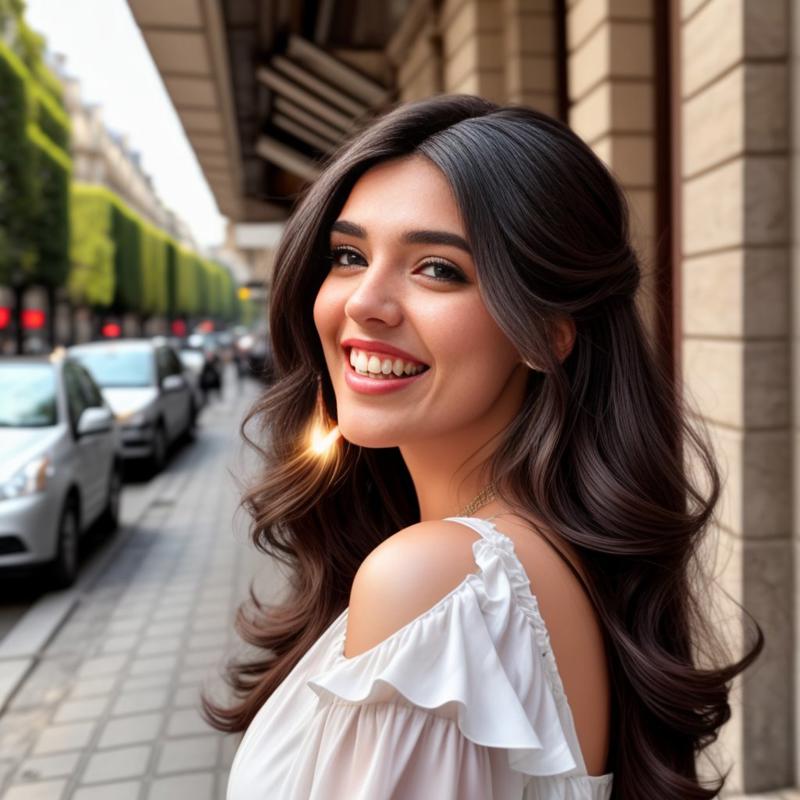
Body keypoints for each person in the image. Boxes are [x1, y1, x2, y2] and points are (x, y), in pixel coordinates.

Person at [208, 95, 763, 799]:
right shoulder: (542, 554)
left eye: (438, 268)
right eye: (349, 256)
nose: (363, 302)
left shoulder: (435, 583)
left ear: (547, 332)